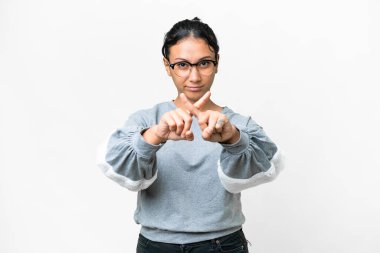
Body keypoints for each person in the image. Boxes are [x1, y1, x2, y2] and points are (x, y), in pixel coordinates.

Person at [97, 17, 285, 253]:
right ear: (167, 66)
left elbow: (270, 165)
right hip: (156, 245)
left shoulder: (236, 123)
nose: (194, 77)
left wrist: (233, 138)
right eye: (183, 65)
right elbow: (117, 168)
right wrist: (154, 136)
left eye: (204, 63)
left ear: (217, 63)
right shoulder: (146, 120)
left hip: (221, 245)